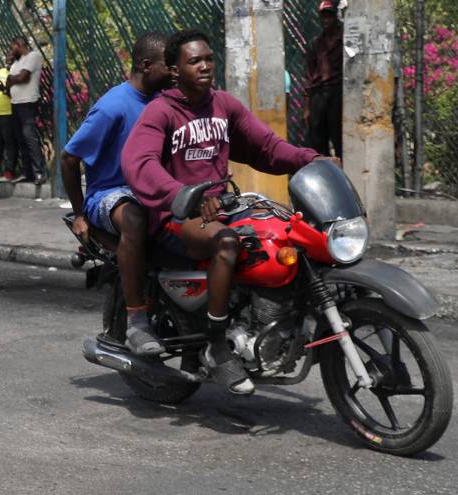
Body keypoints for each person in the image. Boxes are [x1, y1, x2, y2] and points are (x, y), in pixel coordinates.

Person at [121, 29, 321, 394]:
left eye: (209, 59)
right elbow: (141, 163)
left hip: (221, 209)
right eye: (194, 61)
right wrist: (183, 196)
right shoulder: (160, 112)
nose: (205, 66)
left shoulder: (223, 105)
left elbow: (267, 147)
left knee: (282, 236)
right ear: (175, 69)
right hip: (177, 216)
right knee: (227, 243)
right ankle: (216, 345)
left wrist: (313, 160)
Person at [61, 32, 173, 355]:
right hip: (109, 194)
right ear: (146, 65)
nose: (175, 72)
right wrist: (80, 214)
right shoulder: (113, 106)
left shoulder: (166, 103)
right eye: (169, 65)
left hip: (151, 189)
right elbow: (69, 159)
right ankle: (137, 320)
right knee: (134, 218)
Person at [5, 35, 47, 183]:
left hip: (28, 102)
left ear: (19, 44)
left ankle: (39, 172)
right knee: (21, 138)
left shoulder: (33, 56)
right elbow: (9, 81)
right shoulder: (17, 62)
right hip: (15, 103)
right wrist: (12, 72)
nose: (11, 50)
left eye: (13, 47)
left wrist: (14, 78)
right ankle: (27, 172)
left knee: (29, 136)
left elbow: (23, 78)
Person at [305, 0, 343, 157]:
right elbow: (308, 75)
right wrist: (307, 107)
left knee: (339, 137)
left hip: (337, 94)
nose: (326, 20)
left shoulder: (345, 41)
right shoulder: (315, 44)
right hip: (318, 95)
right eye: (323, 16)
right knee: (318, 140)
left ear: (336, 17)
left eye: (329, 16)